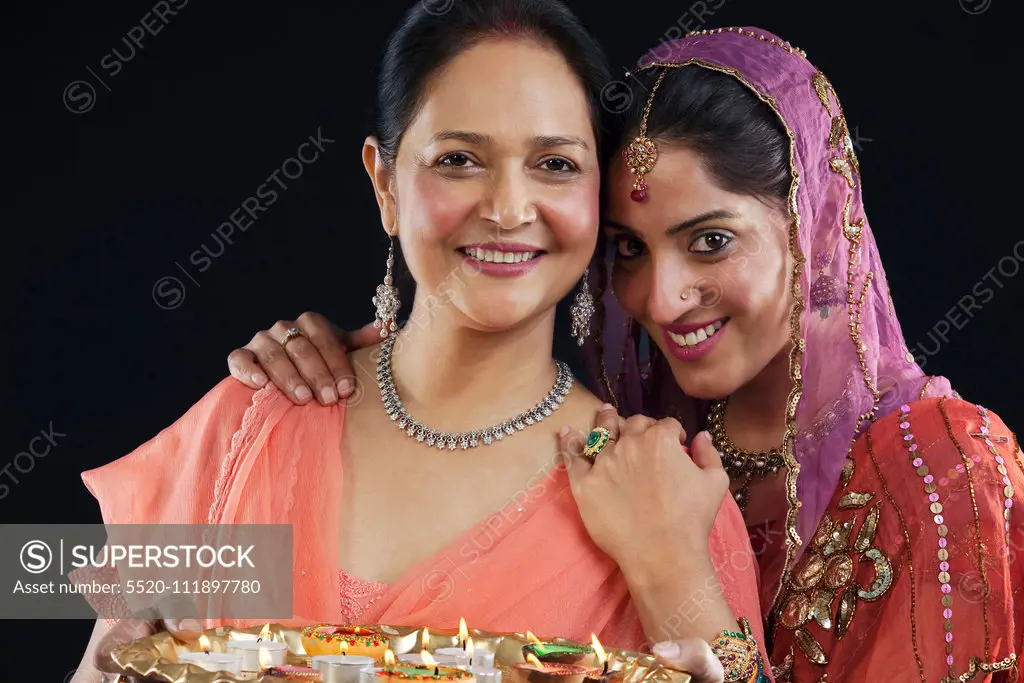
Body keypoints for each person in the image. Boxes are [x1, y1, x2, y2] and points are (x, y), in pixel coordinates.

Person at [235, 26, 1023, 681]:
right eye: (630, 251)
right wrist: (263, 421)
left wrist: (671, 568)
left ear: (813, 225)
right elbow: (118, 625)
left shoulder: (946, 465)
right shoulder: (633, 443)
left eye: (711, 242)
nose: (661, 299)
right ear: (384, 183)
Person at [76, 3, 770, 682]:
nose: (506, 209)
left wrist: (665, 565)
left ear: (598, 195)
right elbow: (105, 663)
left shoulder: (663, 499)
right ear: (384, 183)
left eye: (555, 164)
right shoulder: (247, 424)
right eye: (459, 158)